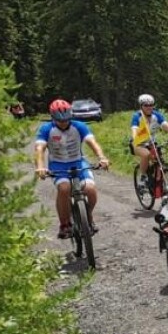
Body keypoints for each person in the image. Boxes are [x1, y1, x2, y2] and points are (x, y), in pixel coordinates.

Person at [34, 99, 110, 238]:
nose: (63, 123)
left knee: (90, 190)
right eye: (60, 121)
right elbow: (40, 149)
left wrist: (102, 157)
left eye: (67, 120)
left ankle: (88, 218)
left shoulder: (79, 126)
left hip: (78, 162)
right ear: (53, 118)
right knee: (64, 188)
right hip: (58, 164)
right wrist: (40, 167)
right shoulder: (46, 129)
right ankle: (65, 224)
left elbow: (92, 142)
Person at [130, 93, 168, 186]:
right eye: (146, 105)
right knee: (146, 154)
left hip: (151, 143)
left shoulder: (156, 115)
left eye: (151, 105)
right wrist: (136, 139)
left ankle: (156, 182)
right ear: (141, 106)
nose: (149, 107)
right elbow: (134, 129)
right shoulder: (137, 116)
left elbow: (165, 125)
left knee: (159, 160)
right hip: (138, 144)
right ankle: (143, 177)